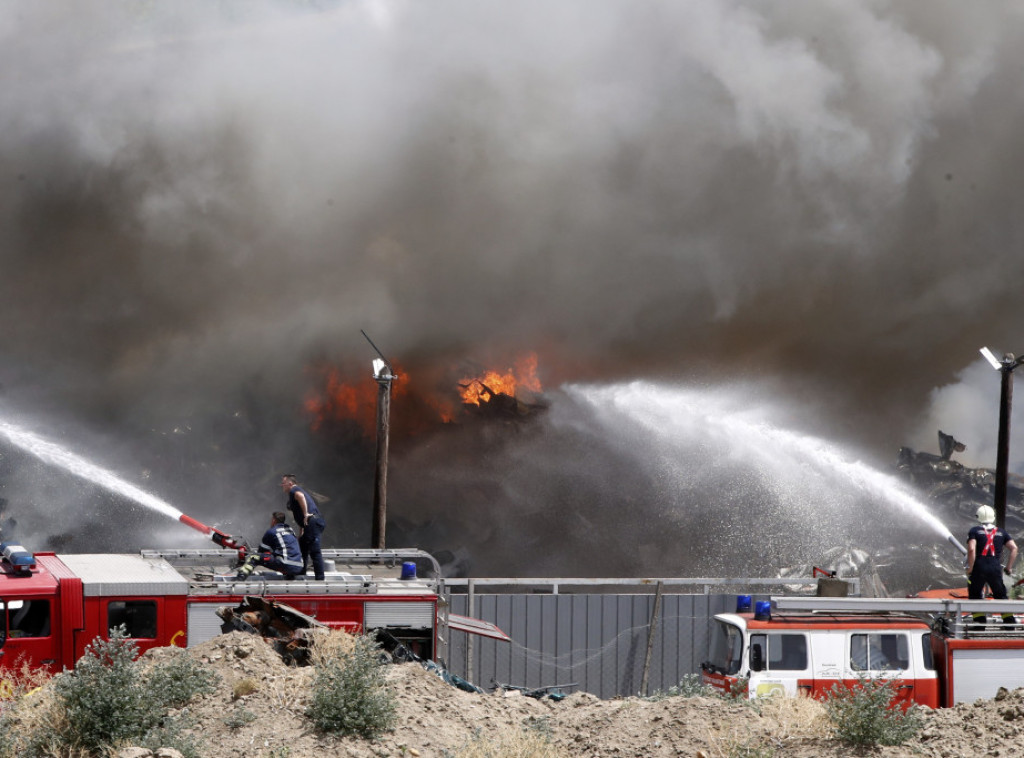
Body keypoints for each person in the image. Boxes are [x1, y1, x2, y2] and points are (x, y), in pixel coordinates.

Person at [966, 504, 1018, 624]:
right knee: (1001, 595)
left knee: (975, 595)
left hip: (979, 567)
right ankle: (1009, 623)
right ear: (993, 516)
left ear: (978, 517)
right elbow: (1014, 548)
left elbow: (971, 549)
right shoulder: (1001, 532)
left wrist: (971, 568)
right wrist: (1009, 567)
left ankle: (980, 623)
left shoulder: (974, 531)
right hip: (995, 568)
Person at [280, 474, 326, 580]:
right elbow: (302, 521)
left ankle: (320, 578)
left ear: (290, 483)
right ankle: (301, 572)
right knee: (303, 547)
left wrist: (306, 514)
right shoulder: (293, 493)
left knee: (314, 551)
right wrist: (301, 533)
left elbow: (300, 496)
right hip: (309, 524)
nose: (282, 485)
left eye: (283, 483)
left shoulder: (294, 490)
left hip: (313, 522)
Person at [236, 511, 303, 580]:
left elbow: (261, 551)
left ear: (274, 520)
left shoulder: (272, 531)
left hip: (285, 564)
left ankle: (240, 578)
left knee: (254, 557)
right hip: (298, 566)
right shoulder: (290, 530)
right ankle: (289, 577)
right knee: (282, 557)